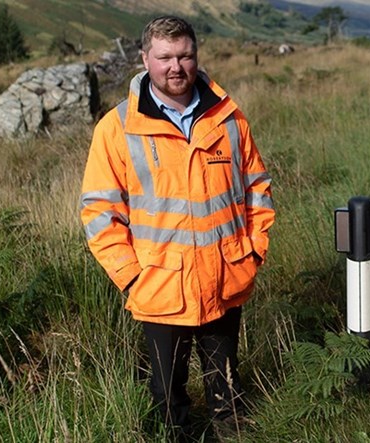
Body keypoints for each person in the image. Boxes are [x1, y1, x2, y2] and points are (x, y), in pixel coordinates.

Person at [79, 16, 274, 438]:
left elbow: (257, 187)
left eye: (184, 55)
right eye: (165, 57)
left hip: (226, 275)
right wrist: (131, 277)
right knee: (167, 396)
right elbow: (98, 212)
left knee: (228, 389)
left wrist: (254, 250)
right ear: (145, 58)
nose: (176, 67)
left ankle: (231, 430)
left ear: (196, 56)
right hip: (158, 285)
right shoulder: (117, 128)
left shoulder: (229, 118)